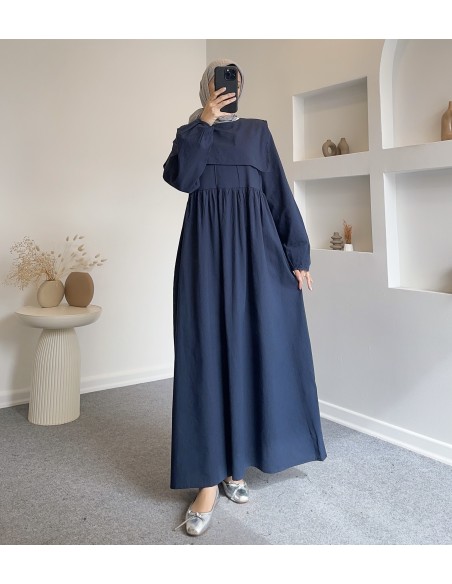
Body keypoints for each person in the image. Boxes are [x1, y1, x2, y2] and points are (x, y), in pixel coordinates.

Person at [163, 58, 327, 537]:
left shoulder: (258, 133)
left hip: (257, 259)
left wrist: (297, 254)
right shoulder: (190, 135)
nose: (226, 87)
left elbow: (278, 194)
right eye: (218, 81)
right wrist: (204, 123)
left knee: (255, 353)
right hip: (205, 261)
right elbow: (181, 179)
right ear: (205, 88)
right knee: (207, 358)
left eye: (232, 81)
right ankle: (207, 481)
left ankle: (236, 468)